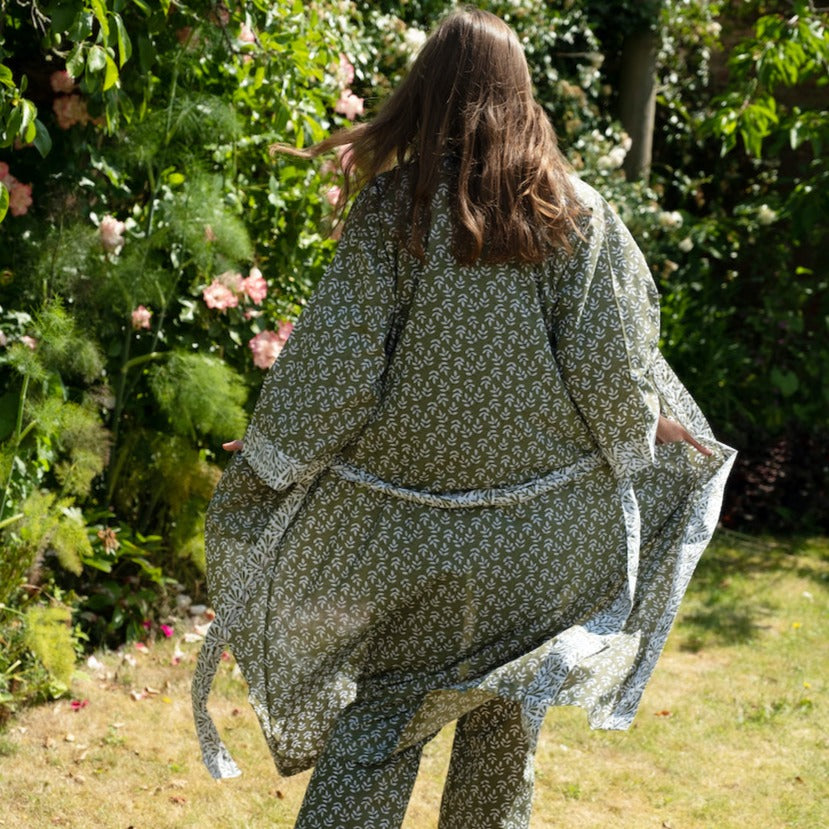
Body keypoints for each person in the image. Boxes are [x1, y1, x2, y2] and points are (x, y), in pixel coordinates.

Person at [192, 8, 735, 828]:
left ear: (430, 92)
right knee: (502, 728)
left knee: (379, 720)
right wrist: (646, 424)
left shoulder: (394, 212)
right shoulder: (572, 214)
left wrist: (274, 452)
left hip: (414, 543)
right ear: (520, 95)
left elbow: (336, 367)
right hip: (541, 545)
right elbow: (609, 370)